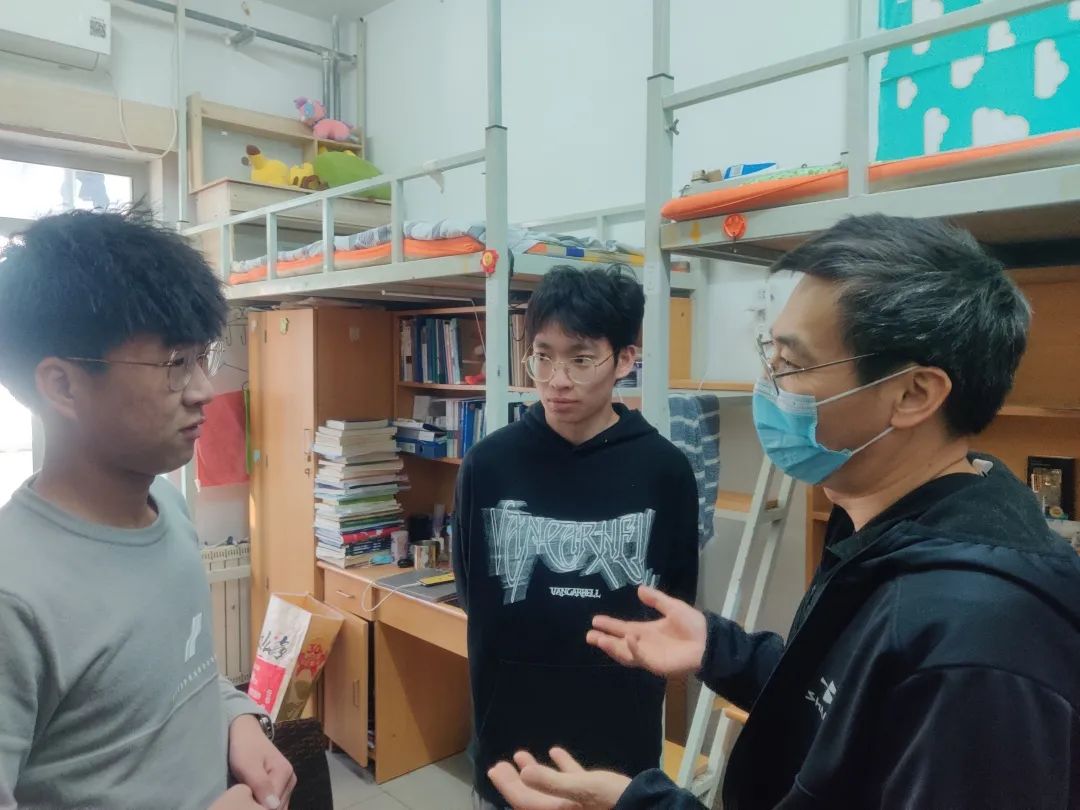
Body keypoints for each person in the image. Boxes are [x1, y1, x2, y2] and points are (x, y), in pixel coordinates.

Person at [487, 215, 1080, 809]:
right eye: (769, 355)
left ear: (913, 394)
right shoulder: (887, 533)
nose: (767, 385)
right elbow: (843, 701)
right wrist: (723, 651)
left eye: (792, 365)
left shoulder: (979, 647)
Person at [0, 209, 295, 810]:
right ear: (62, 386)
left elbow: (183, 675)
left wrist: (235, 717)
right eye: (174, 364)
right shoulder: (15, 595)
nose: (204, 390)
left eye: (202, 357)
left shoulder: (168, 507)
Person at [452, 265, 701, 809]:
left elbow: (673, 602)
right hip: (510, 742)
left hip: (620, 748)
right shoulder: (487, 465)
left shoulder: (665, 470)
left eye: (581, 359)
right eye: (543, 357)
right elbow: (473, 591)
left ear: (625, 360)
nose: (557, 379)